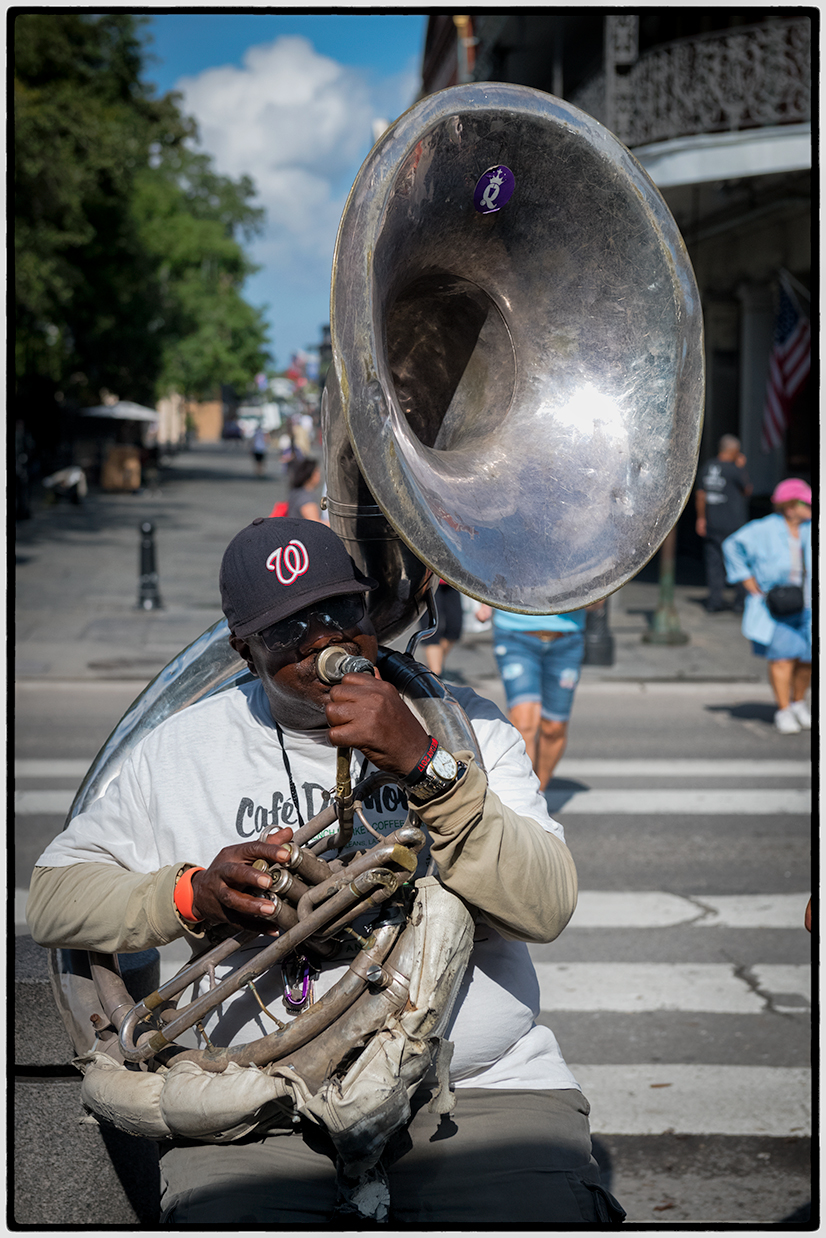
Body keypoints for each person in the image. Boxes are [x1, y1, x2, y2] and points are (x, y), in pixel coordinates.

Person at [26, 518, 623, 1226]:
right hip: (259, 1115)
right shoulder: (178, 752)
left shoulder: (471, 726)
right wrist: (192, 896)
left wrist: (425, 765)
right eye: (287, 631)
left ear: (369, 610)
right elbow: (52, 899)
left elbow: (546, 907)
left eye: (339, 610)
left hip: (480, 1096)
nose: (322, 639)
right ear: (244, 652)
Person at [723, 478, 812, 735]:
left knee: (807, 660)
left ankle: (798, 703)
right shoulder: (764, 528)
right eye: (805, 502)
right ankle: (783, 710)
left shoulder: (809, 529)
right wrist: (746, 580)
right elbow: (732, 546)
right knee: (782, 659)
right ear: (790, 506)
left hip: (808, 604)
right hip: (779, 606)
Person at [474, 604, 587, 788]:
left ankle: (539, 793)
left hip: (567, 640)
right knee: (524, 722)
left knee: (554, 728)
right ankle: (526, 796)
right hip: (515, 634)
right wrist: (483, 601)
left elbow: (598, 602)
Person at [695, 434, 752, 612]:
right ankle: (740, 601)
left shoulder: (708, 466)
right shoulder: (734, 469)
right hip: (734, 524)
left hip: (713, 522)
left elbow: (700, 495)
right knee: (738, 561)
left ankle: (715, 601)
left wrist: (701, 518)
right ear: (734, 451)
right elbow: (747, 490)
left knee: (714, 563)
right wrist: (741, 468)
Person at [421, 581, 464, 677]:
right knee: (432, 631)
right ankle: (436, 674)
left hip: (451, 581)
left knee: (454, 629)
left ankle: (434, 669)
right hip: (428, 582)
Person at [286, 457, 324, 522]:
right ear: (311, 474)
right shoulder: (306, 497)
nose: (319, 474)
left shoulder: (296, 492)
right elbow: (315, 523)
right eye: (317, 471)